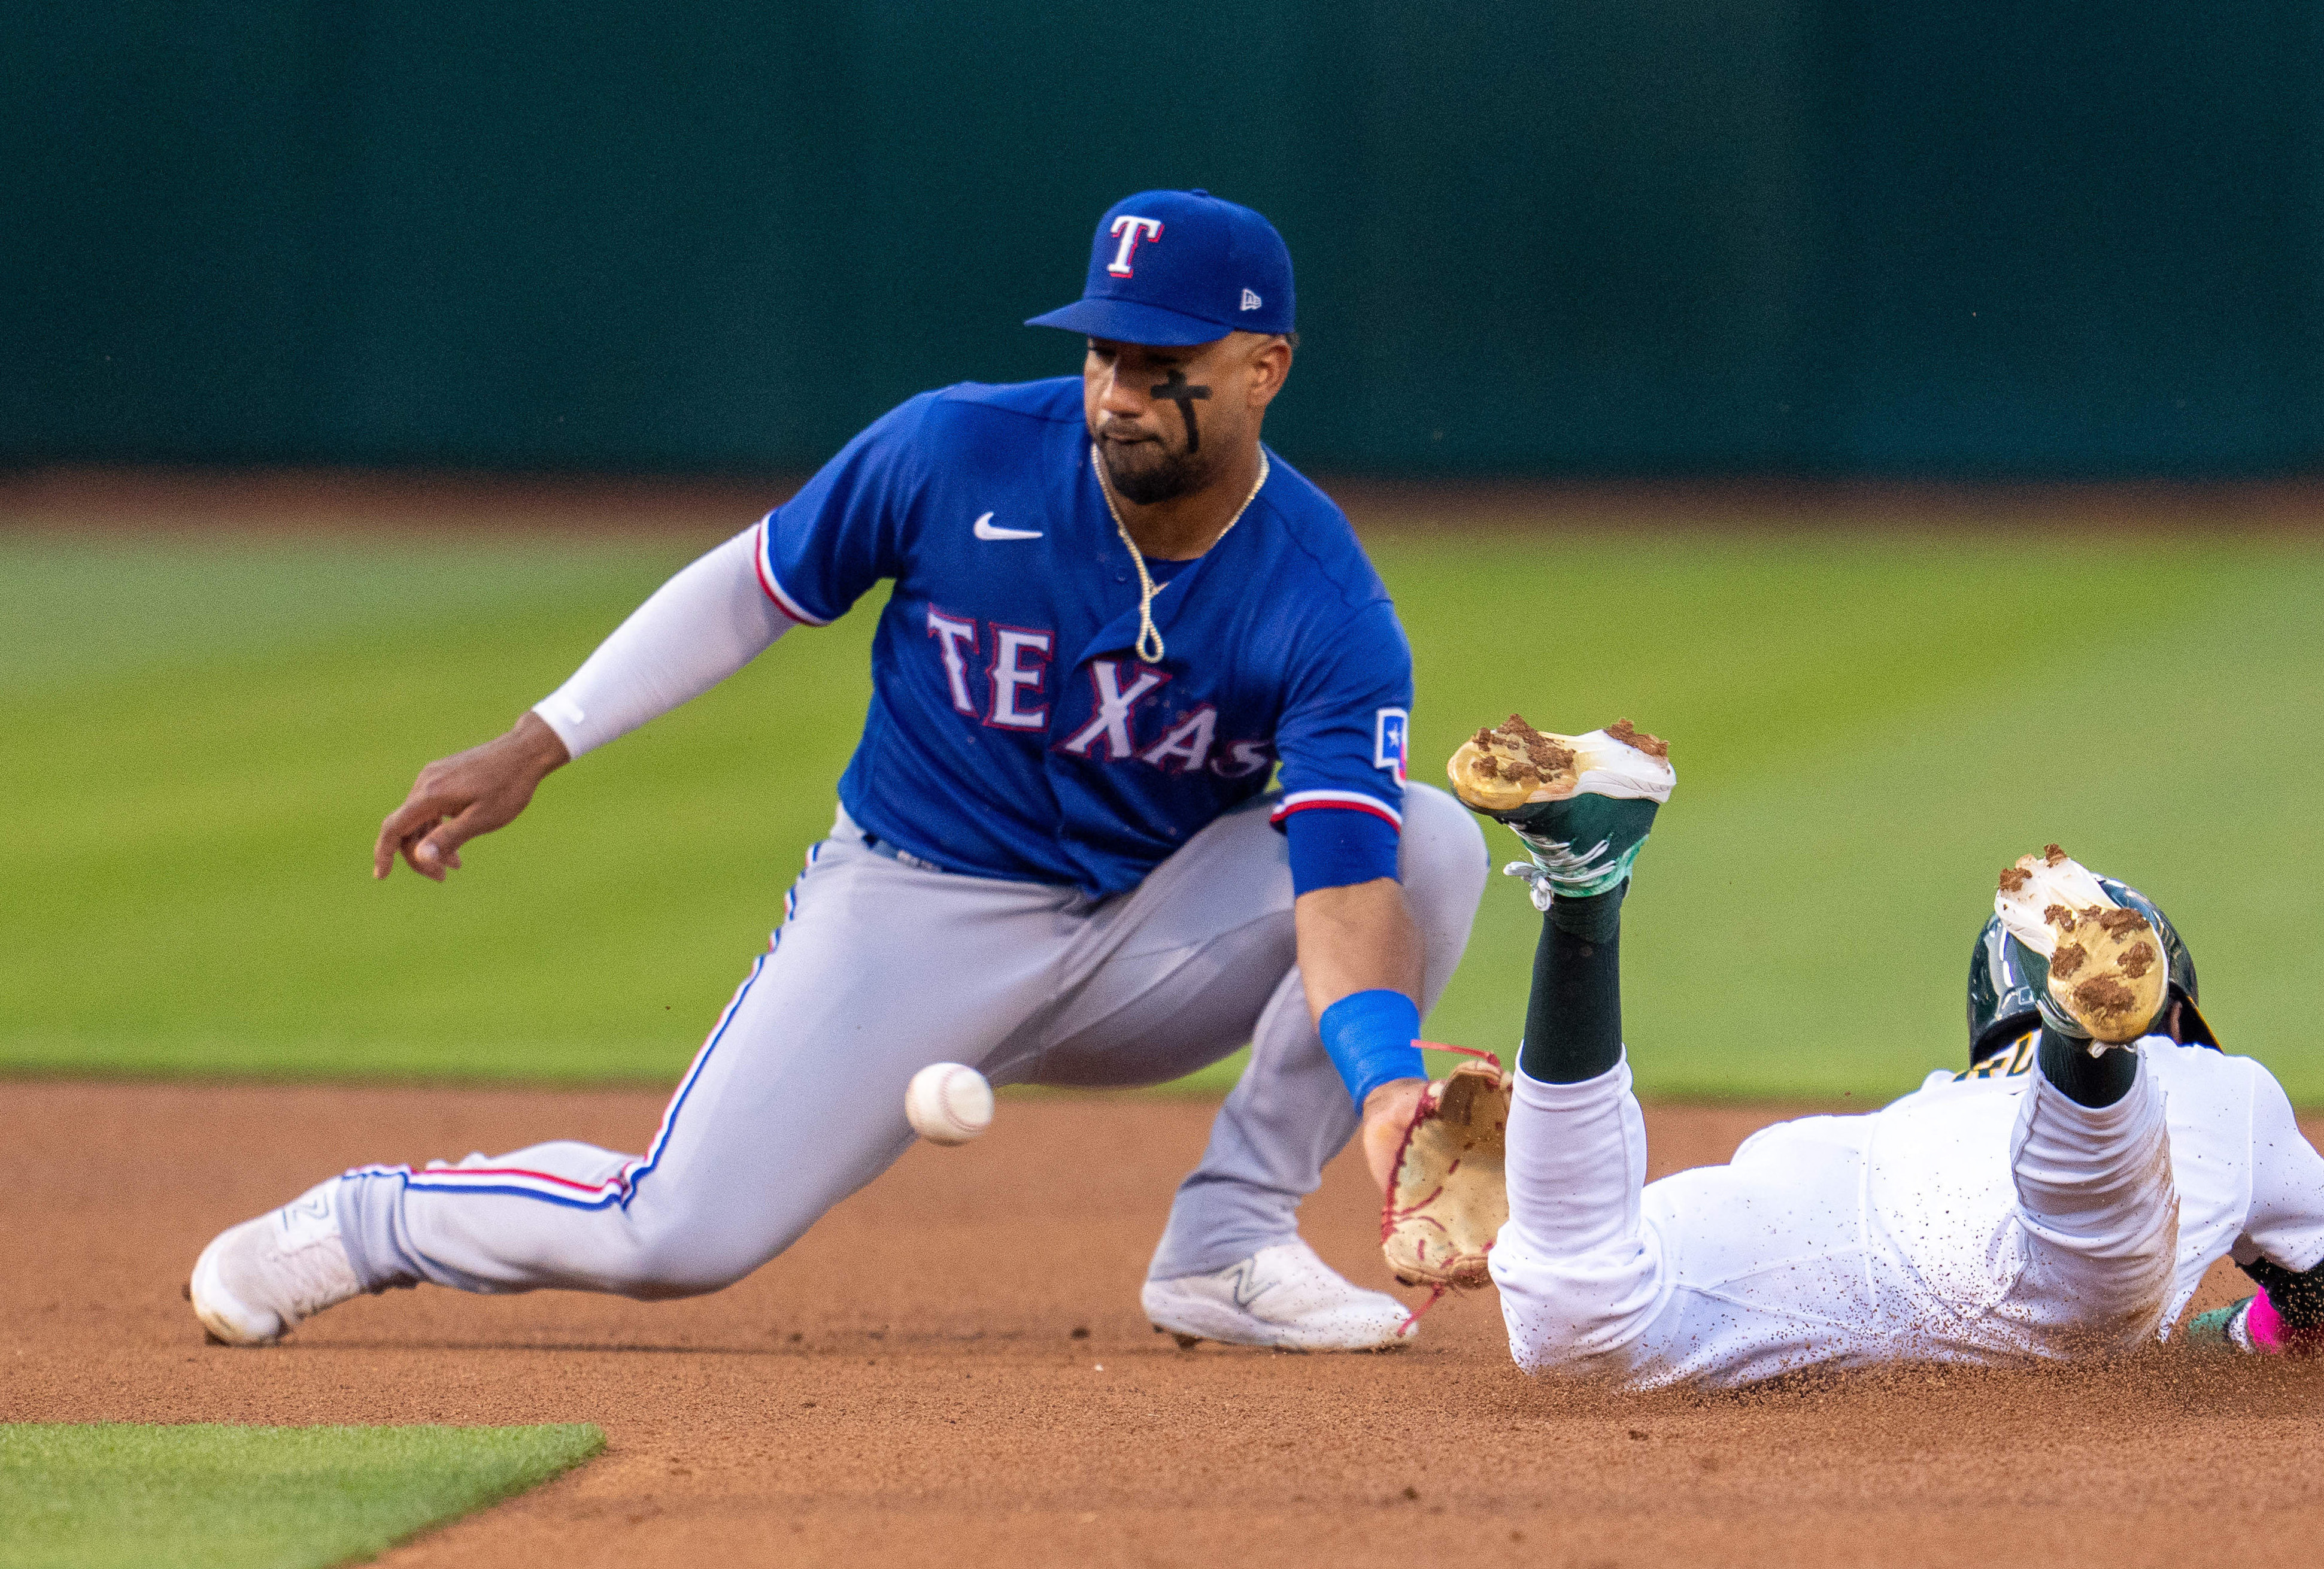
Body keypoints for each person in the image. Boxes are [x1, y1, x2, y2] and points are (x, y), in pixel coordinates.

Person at [187, 190, 1489, 1353]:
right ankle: (370, 1221)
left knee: (1427, 840)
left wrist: (1384, 1085)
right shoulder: (954, 451)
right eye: (1102, 353)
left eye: (1164, 365)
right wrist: (542, 738)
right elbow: (752, 591)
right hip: (914, 908)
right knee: (673, 1235)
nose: (1119, 393)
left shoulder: (1323, 604)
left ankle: (1228, 1243)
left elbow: (1341, 887)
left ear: (1265, 368)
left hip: (1156, 936)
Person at [1432, 717, 2324, 1389]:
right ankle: (2088, 1054)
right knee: (2098, 1266)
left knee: (1572, 1319)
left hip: (1842, 1188)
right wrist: (2220, 1340)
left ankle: (1584, 896)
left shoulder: (1947, 1093)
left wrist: (1546, 1191)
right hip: (2025, 1268)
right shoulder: (2226, 1086)